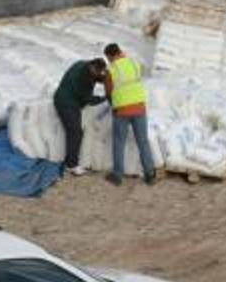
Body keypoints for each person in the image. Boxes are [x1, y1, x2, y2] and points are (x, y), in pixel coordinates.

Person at [103, 43, 155, 186]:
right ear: (120, 52)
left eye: (107, 58)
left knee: (119, 142)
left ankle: (117, 175)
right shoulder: (134, 63)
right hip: (139, 108)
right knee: (143, 141)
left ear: (110, 56)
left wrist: (112, 104)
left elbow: (108, 92)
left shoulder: (111, 69)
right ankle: (150, 174)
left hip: (122, 110)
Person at [53, 58, 107, 176]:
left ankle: (71, 162)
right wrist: (104, 98)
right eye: (98, 72)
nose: (98, 74)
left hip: (68, 97)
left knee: (75, 131)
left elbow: (96, 76)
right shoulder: (84, 79)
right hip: (66, 102)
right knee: (75, 132)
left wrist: (104, 79)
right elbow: (88, 99)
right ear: (93, 67)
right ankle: (71, 165)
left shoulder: (83, 64)